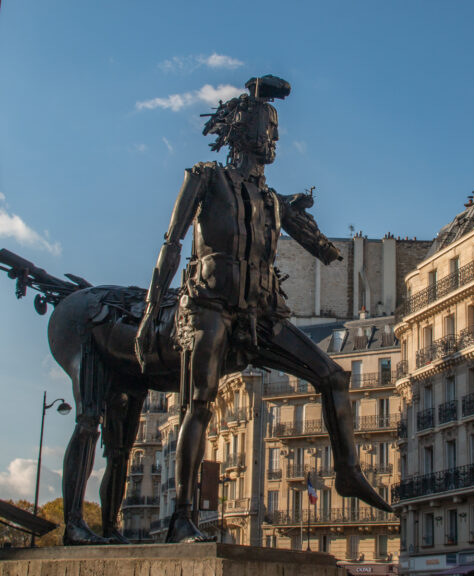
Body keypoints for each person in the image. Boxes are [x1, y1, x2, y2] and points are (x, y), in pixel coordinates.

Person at [136, 75, 391, 543]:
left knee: (332, 375)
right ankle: (181, 515)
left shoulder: (271, 200)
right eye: (263, 125)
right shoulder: (206, 178)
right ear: (237, 130)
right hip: (211, 306)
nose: (271, 137)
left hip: (260, 314)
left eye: (275, 129)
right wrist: (154, 306)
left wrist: (326, 246)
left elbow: (319, 245)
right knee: (199, 403)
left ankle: (349, 473)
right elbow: (171, 242)